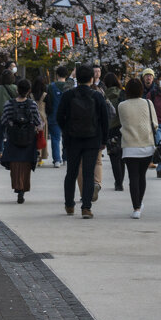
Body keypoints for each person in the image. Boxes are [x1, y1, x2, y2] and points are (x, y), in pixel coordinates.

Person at [56, 65, 111, 218]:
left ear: (77, 78)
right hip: (92, 140)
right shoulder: (97, 96)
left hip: (72, 139)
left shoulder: (68, 95)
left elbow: (59, 117)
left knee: (71, 173)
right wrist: (103, 139)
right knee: (88, 174)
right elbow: (105, 120)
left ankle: (69, 205)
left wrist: (66, 131)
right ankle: (86, 208)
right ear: (91, 78)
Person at [118, 78, 157, 218]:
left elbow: (122, 122)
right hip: (147, 145)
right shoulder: (148, 103)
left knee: (133, 177)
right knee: (142, 176)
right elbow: (155, 124)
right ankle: (139, 203)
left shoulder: (122, 106)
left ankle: (136, 208)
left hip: (129, 146)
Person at [0, 78, 42, 202]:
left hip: (13, 138)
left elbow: (4, 120)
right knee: (26, 164)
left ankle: (17, 186)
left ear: (17, 90)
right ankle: (23, 189)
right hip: (29, 138)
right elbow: (38, 122)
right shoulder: (32, 104)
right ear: (29, 91)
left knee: (15, 164)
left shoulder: (9, 104)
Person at [0, 71, 18, 155]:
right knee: (10, 135)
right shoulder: (16, 88)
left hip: (0, 115)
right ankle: (10, 152)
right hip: (12, 116)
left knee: (0, 136)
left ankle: (0, 153)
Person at [46, 66, 68, 167]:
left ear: (57, 75)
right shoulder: (69, 86)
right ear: (66, 75)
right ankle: (66, 158)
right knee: (66, 138)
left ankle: (57, 160)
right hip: (67, 116)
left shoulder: (51, 87)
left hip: (54, 115)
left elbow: (47, 102)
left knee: (55, 138)